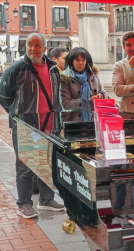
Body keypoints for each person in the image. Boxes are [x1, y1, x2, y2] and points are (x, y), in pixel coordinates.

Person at [0, 33, 64, 218]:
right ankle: (24, 203)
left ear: (44, 48)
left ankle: (46, 200)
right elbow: (4, 96)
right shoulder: (16, 69)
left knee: (47, 163)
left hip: (50, 126)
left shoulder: (53, 68)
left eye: (37, 45)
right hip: (26, 126)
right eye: (29, 44)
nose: (33, 49)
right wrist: (17, 115)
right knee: (25, 165)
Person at [60, 47, 109, 118]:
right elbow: (66, 104)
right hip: (74, 121)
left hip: (94, 119)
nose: (80, 63)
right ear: (71, 61)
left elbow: (105, 94)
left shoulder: (93, 75)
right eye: (77, 60)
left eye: (83, 60)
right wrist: (88, 100)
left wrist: (100, 96)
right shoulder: (65, 77)